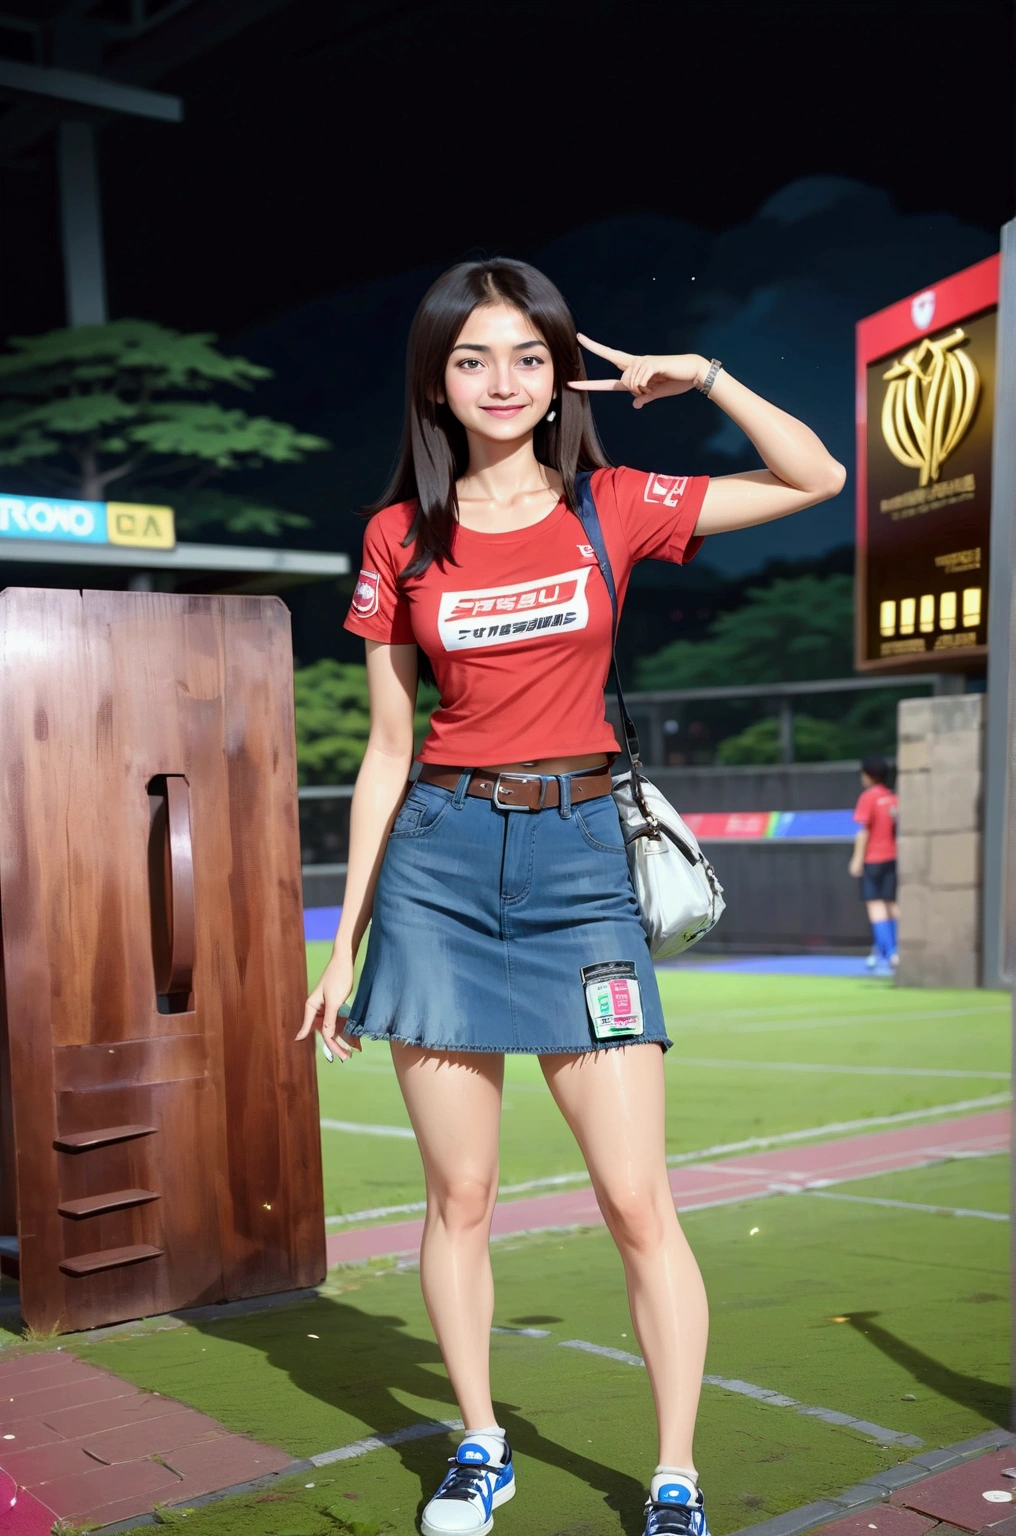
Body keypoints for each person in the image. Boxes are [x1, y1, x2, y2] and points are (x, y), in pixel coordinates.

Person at [298, 259, 845, 1536]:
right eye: (475, 358)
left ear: (559, 375)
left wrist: (702, 374)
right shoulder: (398, 538)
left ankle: (671, 1478)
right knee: (462, 1198)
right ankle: (480, 1445)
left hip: (581, 866)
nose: (504, 381)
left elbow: (814, 478)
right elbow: (385, 752)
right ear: (437, 382)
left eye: (529, 357)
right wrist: (345, 941)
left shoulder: (613, 503)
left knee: (634, 1198)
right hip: (435, 870)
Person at [849, 754, 899, 975]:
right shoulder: (893, 798)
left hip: (874, 859)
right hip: (893, 857)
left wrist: (857, 859)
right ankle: (898, 949)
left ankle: (889, 954)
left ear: (868, 775)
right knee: (892, 905)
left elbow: (864, 830)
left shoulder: (869, 797)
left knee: (875, 906)